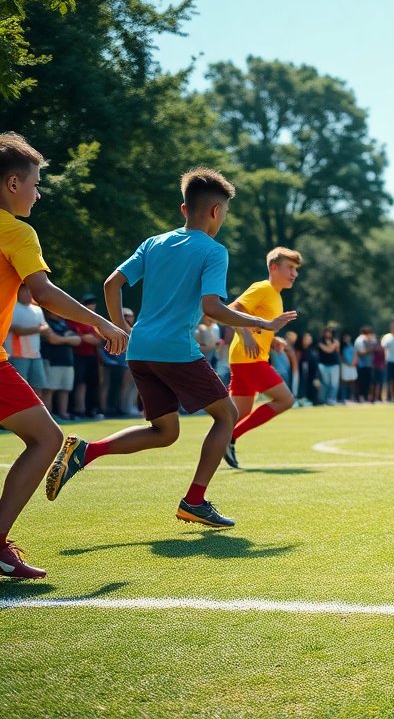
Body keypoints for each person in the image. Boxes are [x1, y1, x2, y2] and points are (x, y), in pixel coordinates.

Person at [47, 167, 296, 531]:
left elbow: (111, 283)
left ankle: (86, 451)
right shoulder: (214, 251)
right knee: (226, 417)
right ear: (215, 211)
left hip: (140, 350)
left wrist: (118, 327)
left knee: (165, 432)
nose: (223, 218)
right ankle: (194, 501)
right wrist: (262, 324)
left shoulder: (153, 243)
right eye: (224, 211)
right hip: (175, 350)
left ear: (184, 209)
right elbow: (212, 307)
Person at [0, 132, 128, 579]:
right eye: (35, 183)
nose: (38, 193)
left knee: (45, 437)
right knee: (47, 439)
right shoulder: (14, 229)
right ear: (13, 183)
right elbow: (43, 292)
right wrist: (102, 323)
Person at [219, 247, 301, 469]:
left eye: (296, 269)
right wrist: (243, 333)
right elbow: (231, 309)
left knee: (240, 413)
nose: (294, 273)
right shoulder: (263, 288)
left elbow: (260, 323)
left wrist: (274, 340)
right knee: (286, 400)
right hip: (250, 360)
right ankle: (230, 438)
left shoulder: (275, 295)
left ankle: (219, 442)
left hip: (245, 359)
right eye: (290, 268)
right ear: (274, 268)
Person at [6, 284, 48, 396]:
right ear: (18, 293)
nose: (28, 294)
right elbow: (17, 331)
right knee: (19, 389)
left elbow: (46, 327)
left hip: (36, 355)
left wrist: (34, 329)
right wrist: (38, 328)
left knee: (38, 387)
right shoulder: (13, 308)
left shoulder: (37, 309)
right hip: (17, 355)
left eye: (30, 291)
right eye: (24, 291)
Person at [69, 294, 105, 418]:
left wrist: (93, 339)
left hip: (93, 356)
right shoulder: (74, 318)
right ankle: (79, 410)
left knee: (93, 383)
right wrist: (89, 338)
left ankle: (91, 410)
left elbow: (99, 338)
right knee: (79, 383)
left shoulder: (95, 321)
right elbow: (81, 336)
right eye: (89, 303)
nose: (92, 305)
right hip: (78, 355)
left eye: (93, 303)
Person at [39, 310, 78, 419]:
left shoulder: (64, 323)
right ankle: (49, 416)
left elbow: (78, 340)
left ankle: (63, 414)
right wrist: (68, 339)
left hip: (67, 361)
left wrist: (62, 339)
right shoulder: (45, 322)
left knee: (65, 389)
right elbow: (53, 339)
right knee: (49, 390)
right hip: (52, 361)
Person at [316, 326, 341, 405]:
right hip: (323, 364)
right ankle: (323, 399)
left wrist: (334, 345)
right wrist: (334, 345)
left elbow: (337, 352)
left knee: (334, 383)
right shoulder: (320, 341)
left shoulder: (335, 341)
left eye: (329, 332)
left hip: (334, 365)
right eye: (326, 332)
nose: (328, 334)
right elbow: (328, 350)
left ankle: (331, 399)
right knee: (325, 383)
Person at [354, 325, 377, 402]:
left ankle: (365, 397)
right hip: (362, 365)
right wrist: (371, 349)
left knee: (367, 382)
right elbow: (361, 353)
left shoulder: (365, 340)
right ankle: (361, 398)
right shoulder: (360, 340)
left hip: (367, 364)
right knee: (361, 382)